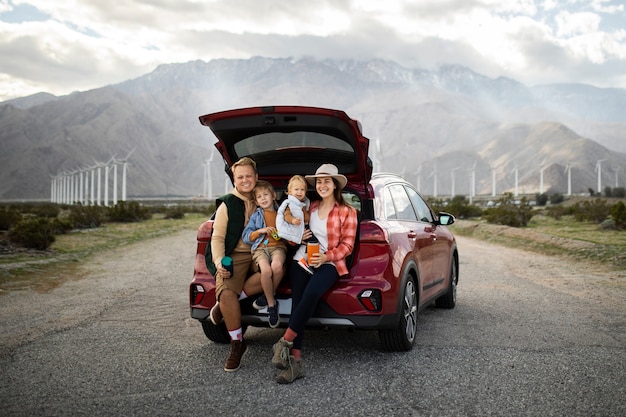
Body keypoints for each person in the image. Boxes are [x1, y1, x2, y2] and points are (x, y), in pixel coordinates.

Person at [271, 163, 358, 384]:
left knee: (311, 295)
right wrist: (297, 238)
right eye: (319, 181)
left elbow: (347, 247)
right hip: (301, 260)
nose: (322, 185)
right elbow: (290, 232)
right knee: (298, 303)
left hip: (330, 263)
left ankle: (284, 341)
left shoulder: (347, 212)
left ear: (335, 184)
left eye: (327, 181)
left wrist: (326, 257)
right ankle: (295, 363)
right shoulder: (310, 207)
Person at [205, 157, 263, 372]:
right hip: (235, 255)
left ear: (256, 177)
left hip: (259, 252)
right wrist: (219, 261)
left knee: (275, 271)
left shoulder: (263, 198)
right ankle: (237, 343)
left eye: (249, 176)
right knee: (227, 293)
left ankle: (223, 308)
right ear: (234, 179)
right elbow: (217, 238)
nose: (245, 180)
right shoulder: (227, 204)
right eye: (240, 177)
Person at [242, 180, 287, 328]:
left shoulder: (282, 213)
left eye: (266, 194)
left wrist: (284, 233)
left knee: (277, 266)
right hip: (260, 248)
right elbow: (246, 236)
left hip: (278, 246)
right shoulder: (256, 216)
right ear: (256, 201)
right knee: (266, 271)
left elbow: (291, 231)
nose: (263, 198)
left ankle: (268, 294)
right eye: (259, 196)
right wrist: (260, 231)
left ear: (273, 195)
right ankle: (272, 305)